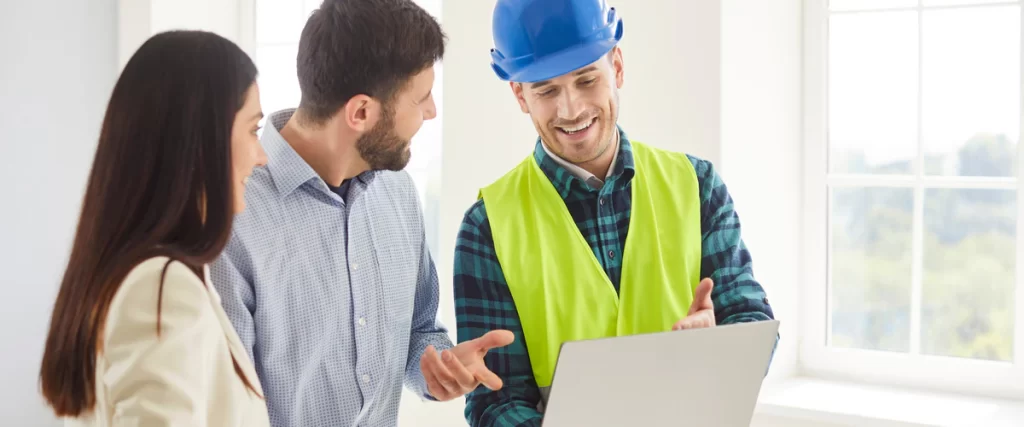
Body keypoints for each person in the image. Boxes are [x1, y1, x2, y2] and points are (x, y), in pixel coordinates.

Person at [453, 0, 779, 425]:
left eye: (587, 80)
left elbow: (753, 324)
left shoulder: (697, 186)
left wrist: (719, 346)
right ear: (520, 95)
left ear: (617, 67)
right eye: (547, 91)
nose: (571, 109)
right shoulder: (487, 226)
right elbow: (494, 400)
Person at [209, 1, 513, 426]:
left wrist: (437, 367)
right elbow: (223, 403)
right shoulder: (234, 216)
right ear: (362, 113)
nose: (431, 112)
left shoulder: (398, 193)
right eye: (421, 98)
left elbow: (418, 328)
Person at [38, 30, 270, 426]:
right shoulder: (162, 286)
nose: (262, 157)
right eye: (252, 130)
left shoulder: (143, 277)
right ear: (201, 140)